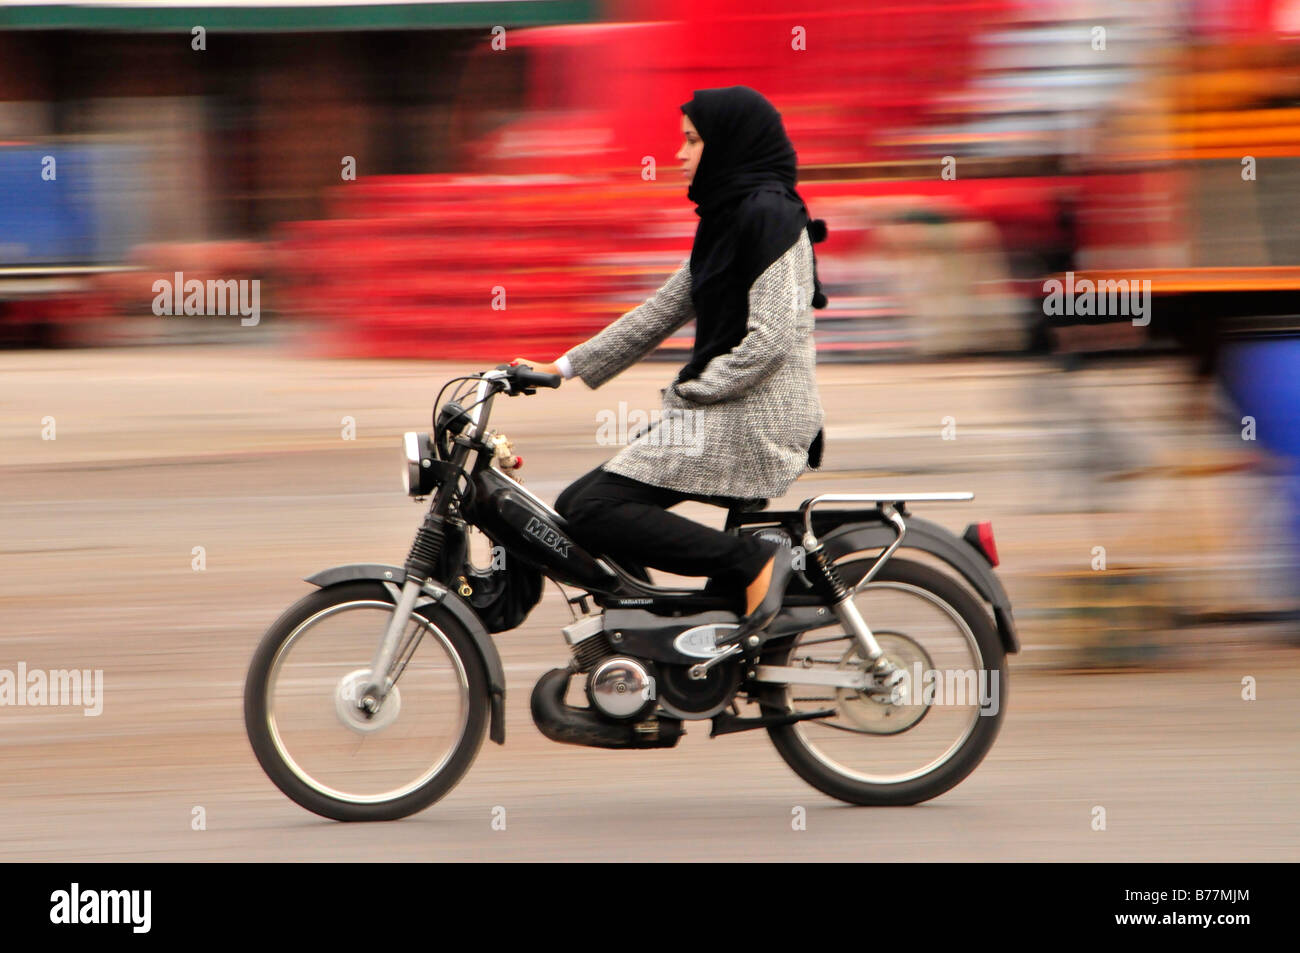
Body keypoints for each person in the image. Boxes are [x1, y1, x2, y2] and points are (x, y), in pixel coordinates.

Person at [511, 85, 828, 636]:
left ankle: (752, 562)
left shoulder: (773, 219)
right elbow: (661, 310)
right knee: (577, 505)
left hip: (757, 421)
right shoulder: (728, 220)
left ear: (728, 144)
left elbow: (771, 339)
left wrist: (695, 393)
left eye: (691, 141)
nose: (678, 155)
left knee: (595, 509)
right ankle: (645, 637)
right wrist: (562, 369)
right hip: (728, 411)